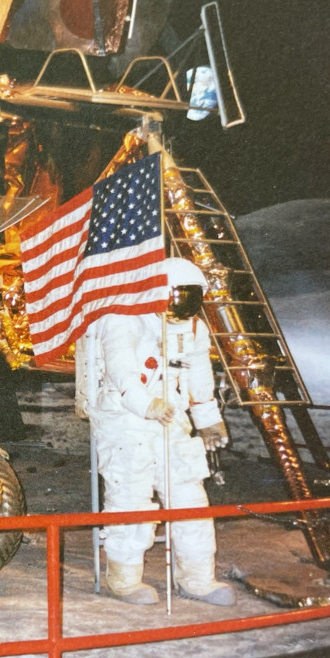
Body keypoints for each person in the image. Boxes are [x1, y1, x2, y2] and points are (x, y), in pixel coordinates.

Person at [86, 257, 234, 606]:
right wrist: (146, 404)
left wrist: (208, 420)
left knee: (190, 497)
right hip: (126, 420)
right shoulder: (121, 319)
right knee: (130, 498)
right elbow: (121, 371)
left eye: (189, 297)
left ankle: (197, 578)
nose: (181, 305)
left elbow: (198, 377)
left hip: (172, 419)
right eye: (175, 296)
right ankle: (123, 579)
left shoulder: (194, 328)